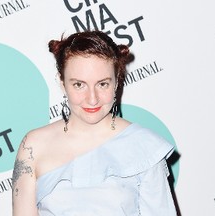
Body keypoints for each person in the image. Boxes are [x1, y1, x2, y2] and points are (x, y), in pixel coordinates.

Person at [12, 30, 177, 216]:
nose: (92, 99)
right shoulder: (33, 146)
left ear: (116, 83)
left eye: (102, 84)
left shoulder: (144, 145)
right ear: (62, 82)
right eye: (79, 85)